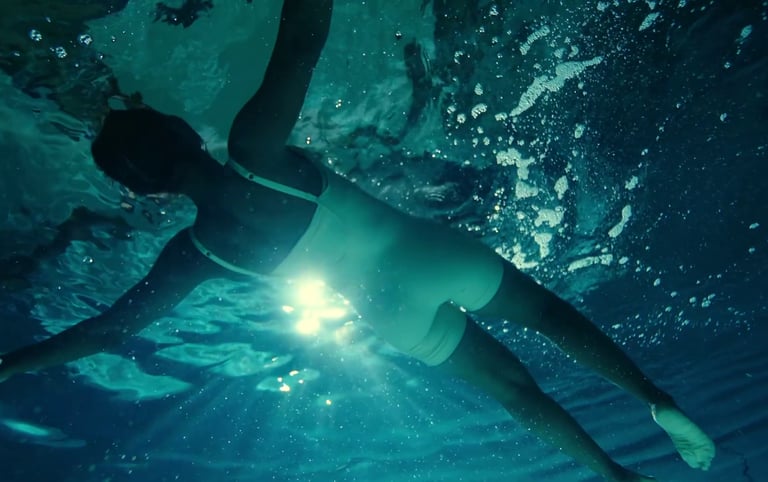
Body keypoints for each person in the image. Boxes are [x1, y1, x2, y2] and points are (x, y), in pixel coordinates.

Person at [0, 1, 715, 480]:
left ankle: (613, 475)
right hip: (423, 253)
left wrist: (9, 365)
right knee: (552, 319)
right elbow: (301, 42)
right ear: (181, 130)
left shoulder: (195, 253)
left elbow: (106, 330)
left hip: (387, 314)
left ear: (150, 191)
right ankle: (653, 398)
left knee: (512, 389)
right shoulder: (253, 150)